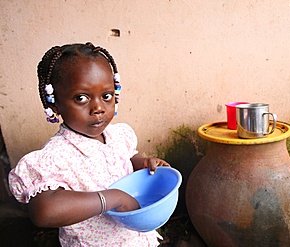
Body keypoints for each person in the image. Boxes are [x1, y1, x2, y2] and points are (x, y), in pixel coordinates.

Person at [8, 42, 170, 246]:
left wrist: (144, 163)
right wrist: (111, 199)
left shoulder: (117, 135)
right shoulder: (58, 156)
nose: (98, 108)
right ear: (54, 103)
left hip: (134, 239)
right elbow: (43, 211)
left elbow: (126, 159)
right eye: (81, 98)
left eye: (107, 96)